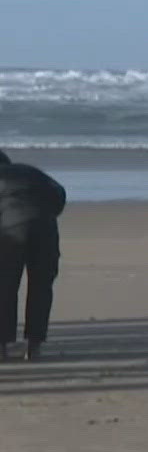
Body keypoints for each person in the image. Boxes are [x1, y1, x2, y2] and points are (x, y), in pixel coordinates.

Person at [0, 150, 68, 362]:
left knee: (5, 287)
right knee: (41, 286)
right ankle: (34, 346)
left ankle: (2, 347)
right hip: (46, 228)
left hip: (12, 228)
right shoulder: (30, 171)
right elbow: (59, 192)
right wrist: (46, 214)